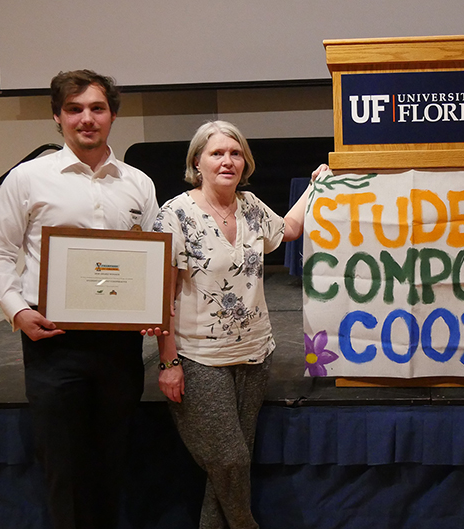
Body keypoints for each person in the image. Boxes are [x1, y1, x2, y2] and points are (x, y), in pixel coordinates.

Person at [0, 70, 160, 528]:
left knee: (112, 461)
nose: (87, 119)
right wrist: (17, 309)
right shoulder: (28, 179)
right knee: (65, 468)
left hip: (120, 348)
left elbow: (155, 254)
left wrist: (152, 306)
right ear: (57, 117)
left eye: (97, 108)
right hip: (53, 344)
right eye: (75, 109)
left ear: (112, 116)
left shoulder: (138, 183)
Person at [152, 121, 318, 529]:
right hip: (198, 358)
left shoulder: (251, 205)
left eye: (235, 153)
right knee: (230, 459)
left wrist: (316, 186)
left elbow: (290, 229)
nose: (227, 161)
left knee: (228, 466)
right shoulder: (175, 214)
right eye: (217, 153)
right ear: (197, 162)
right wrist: (167, 363)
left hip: (255, 352)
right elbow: (162, 298)